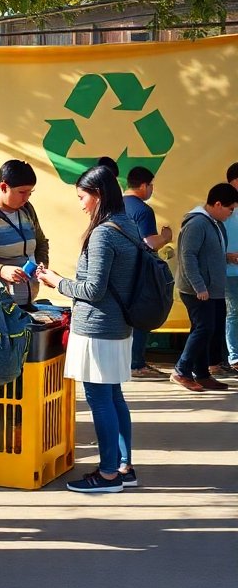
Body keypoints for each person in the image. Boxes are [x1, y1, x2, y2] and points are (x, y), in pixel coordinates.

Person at [36, 166, 144, 492]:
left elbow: (93, 289)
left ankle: (108, 473)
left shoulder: (102, 233)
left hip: (97, 328)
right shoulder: (128, 226)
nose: (81, 204)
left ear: (97, 195)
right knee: (114, 397)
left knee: (101, 400)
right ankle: (124, 466)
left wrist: (56, 282)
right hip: (119, 327)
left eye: (83, 197)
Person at [170, 182, 238, 392]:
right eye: (230, 209)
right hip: (198, 290)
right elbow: (188, 256)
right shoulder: (197, 223)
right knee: (204, 328)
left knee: (210, 330)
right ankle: (181, 370)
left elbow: (205, 253)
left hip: (213, 289)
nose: (231, 213)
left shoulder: (213, 223)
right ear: (218, 204)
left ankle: (202, 374)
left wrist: (226, 258)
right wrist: (199, 286)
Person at [0, 160, 49, 307]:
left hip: (26, 302)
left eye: (30, 193)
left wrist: (42, 266)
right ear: (3, 187)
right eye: (22, 192)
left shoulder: (27, 209)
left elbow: (41, 242)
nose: (26, 199)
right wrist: (0, 270)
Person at [121, 166, 173, 379]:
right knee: (143, 314)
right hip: (140, 271)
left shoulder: (116, 204)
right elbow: (149, 243)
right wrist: (166, 237)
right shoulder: (142, 210)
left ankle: (127, 361)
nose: (151, 189)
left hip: (120, 270)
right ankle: (137, 364)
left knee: (124, 318)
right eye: (151, 185)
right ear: (143, 185)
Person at [225, 163, 238, 376]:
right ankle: (234, 357)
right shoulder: (222, 205)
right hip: (227, 271)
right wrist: (225, 256)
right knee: (233, 314)